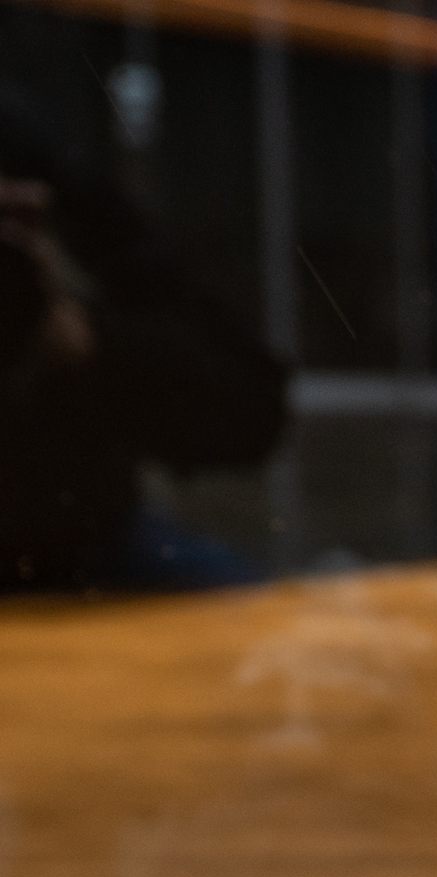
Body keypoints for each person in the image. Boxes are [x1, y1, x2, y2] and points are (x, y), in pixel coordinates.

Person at [0, 38, 289, 591]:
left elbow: (250, 405)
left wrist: (83, 335)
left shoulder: (34, 156)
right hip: (75, 546)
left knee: (267, 622)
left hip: (76, 548)